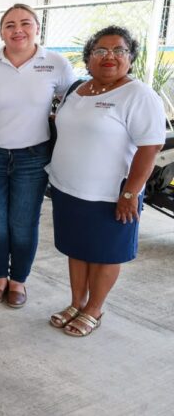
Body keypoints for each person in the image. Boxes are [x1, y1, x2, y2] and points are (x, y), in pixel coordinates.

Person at [46, 26, 165, 336]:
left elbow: (150, 147)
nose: (109, 56)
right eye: (100, 51)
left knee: (105, 252)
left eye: (119, 50)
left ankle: (94, 308)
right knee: (77, 249)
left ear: (130, 58)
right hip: (69, 189)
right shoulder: (78, 90)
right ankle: (76, 303)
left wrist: (130, 194)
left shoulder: (138, 95)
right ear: (89, 58)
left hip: (111, 194)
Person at [0, 3, 76, 308]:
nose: (18, 30)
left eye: (25, 23)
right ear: (1, 32)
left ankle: (18, 281)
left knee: (23, 223)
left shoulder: (56, 64)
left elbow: (74, 105)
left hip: (33, 157)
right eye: (10, 25)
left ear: (37, 28)